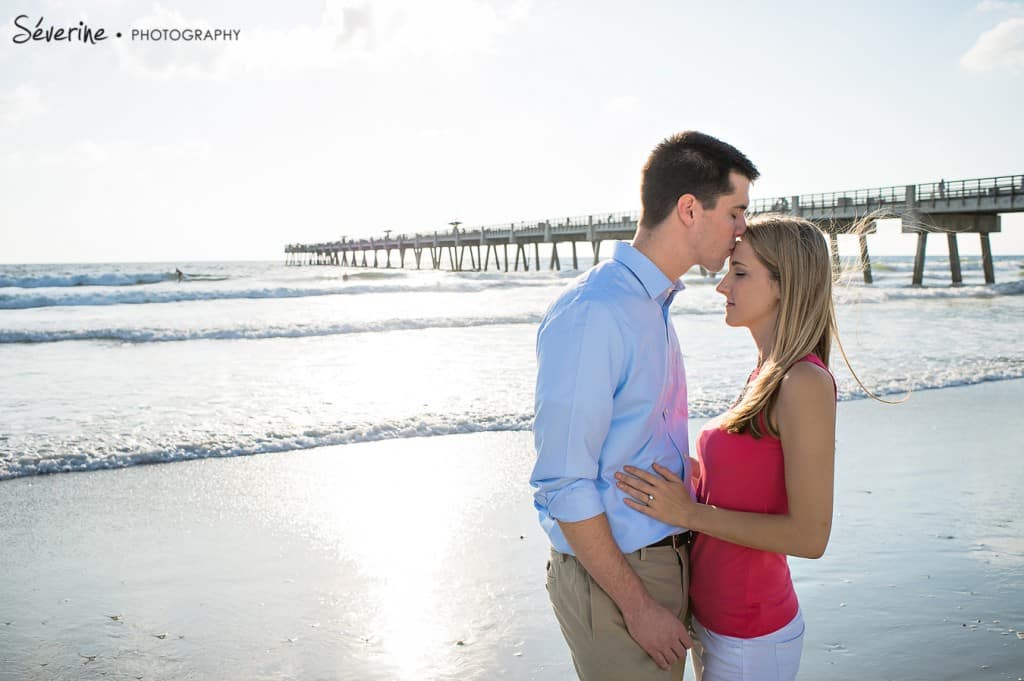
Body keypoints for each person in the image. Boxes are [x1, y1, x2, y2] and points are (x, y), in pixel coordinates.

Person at [530, 131, 759, 681]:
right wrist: (637, 606)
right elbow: (563, 481)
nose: (742, 231)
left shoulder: (650, 302)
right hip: (619, 579)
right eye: (735, 212)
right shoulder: (596, 310)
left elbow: (635, 437)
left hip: (665, 560)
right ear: (689, 210)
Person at [615, 215, 844, 681]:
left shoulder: (804, 381)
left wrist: (690, 514)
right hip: (715, 620)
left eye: (740, 272)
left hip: (752, 633)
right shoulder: (767, 372)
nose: (722, 286)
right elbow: (748, 485)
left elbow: (810, 537)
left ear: (786, 284)